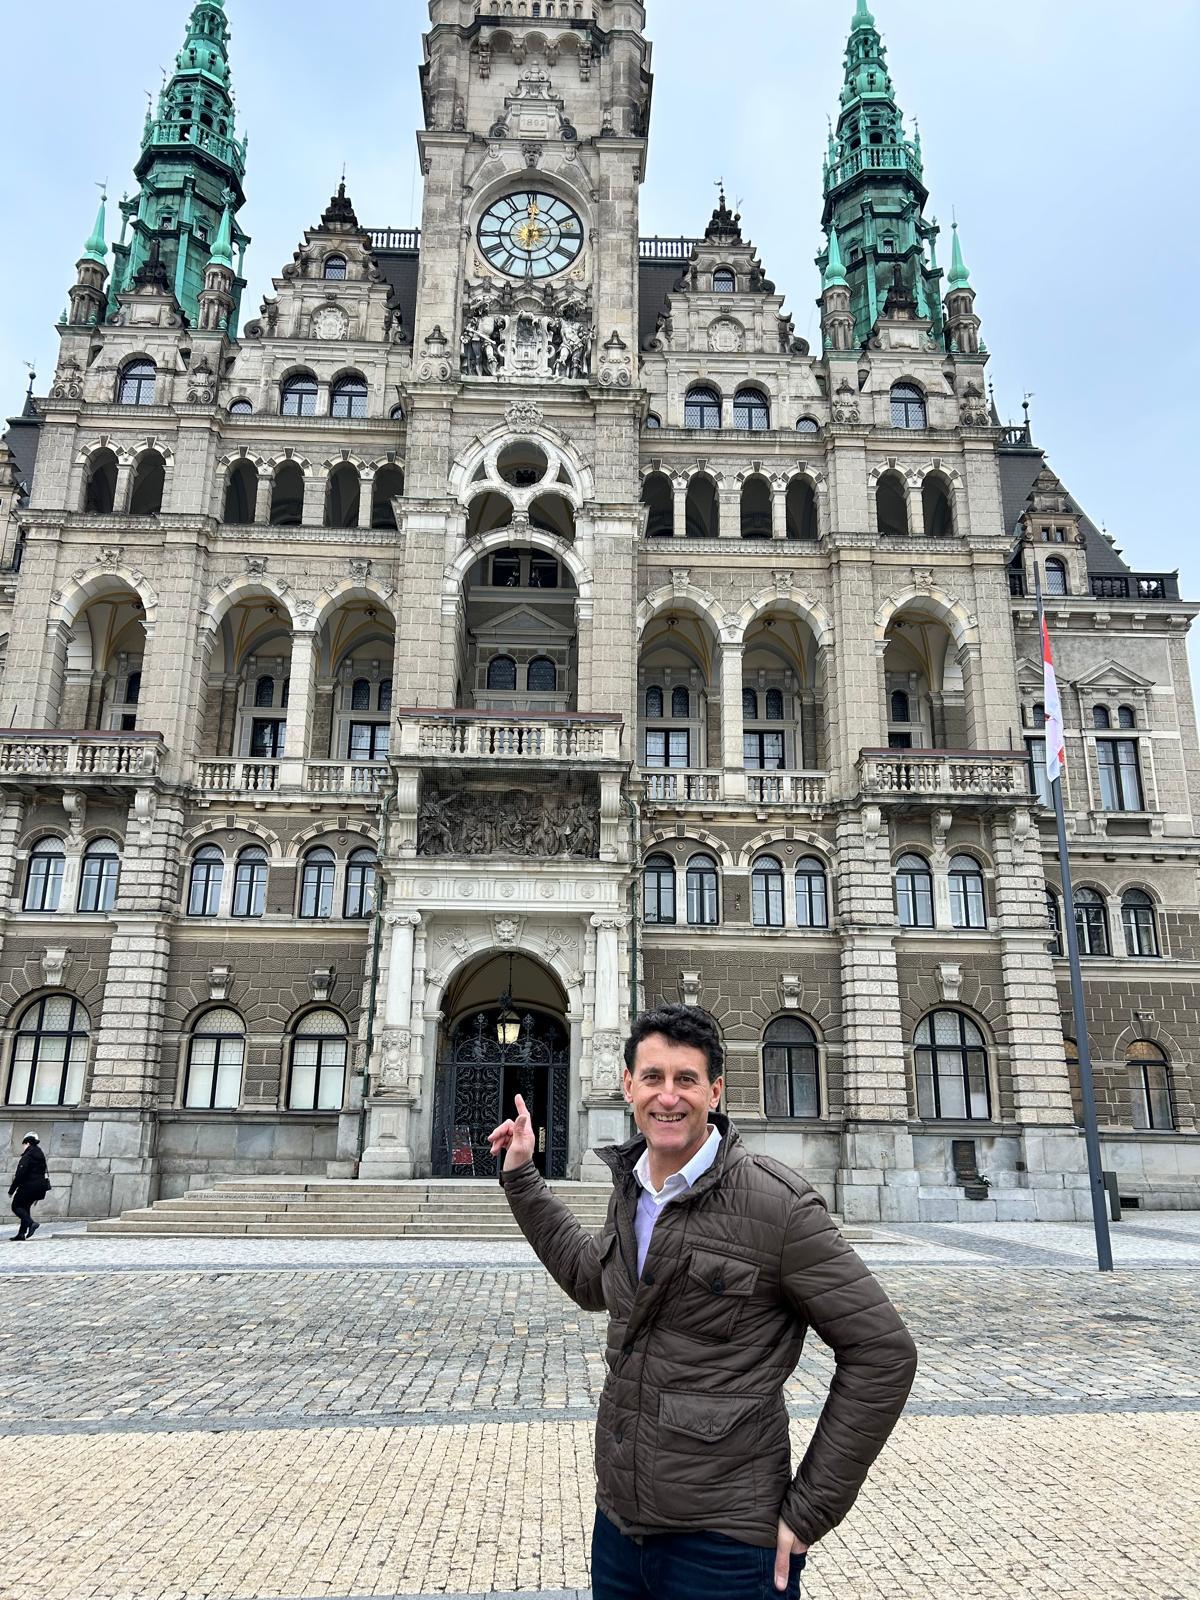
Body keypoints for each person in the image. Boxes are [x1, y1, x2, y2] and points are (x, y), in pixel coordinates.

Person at [490, 1004, 917, 1600]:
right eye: (653, 1077)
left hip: (725, 1545)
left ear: (714, 1091)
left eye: (685, 1079)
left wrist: (810, 1510)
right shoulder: (633, 1187)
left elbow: (882, 1352)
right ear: (628, 1086)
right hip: (620, 1528)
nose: (668, 1096)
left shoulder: (778, 1205)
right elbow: (593, 1281)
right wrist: (522, 1177)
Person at [9, 1132, 50, 1242]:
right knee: (25, 1208)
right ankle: (21, 1234)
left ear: (27, 1143)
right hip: (40, 1187)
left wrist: (11, 1190)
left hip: (28, 1186)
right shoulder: (40, 1155)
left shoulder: (27, 1156)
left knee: (16, 1206)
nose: (23, 1147)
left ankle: (32, 1224)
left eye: (23, 1144)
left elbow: (20, 1175)